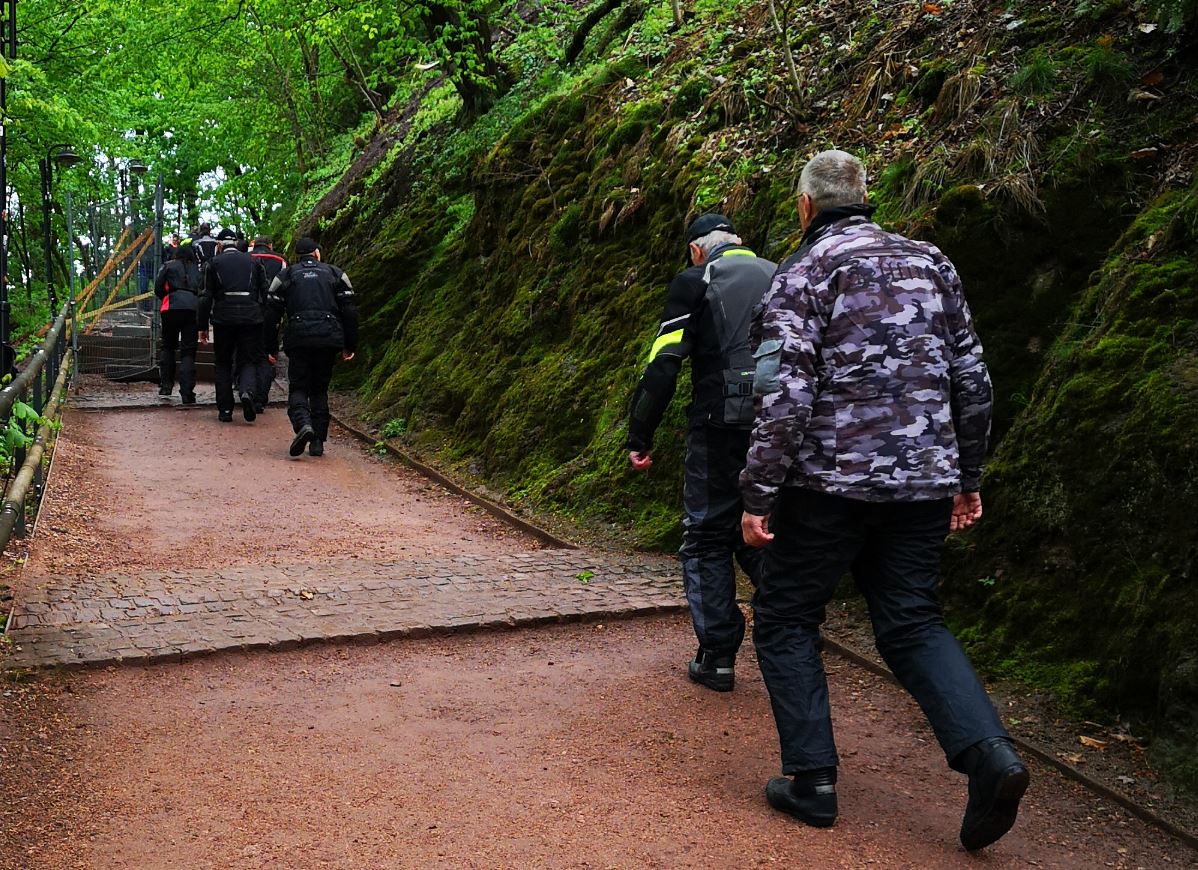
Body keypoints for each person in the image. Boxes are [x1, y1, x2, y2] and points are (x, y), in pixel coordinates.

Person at [739, 150, 1027, 850]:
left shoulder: (803, 272)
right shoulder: (933, 263)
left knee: (785, 617)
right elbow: (972, 378)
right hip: (923, 480)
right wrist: (967, 476)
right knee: (912, 622)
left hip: (827, 484)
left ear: (805, 206)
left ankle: (813, 782)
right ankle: (991, 757)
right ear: (866, 195)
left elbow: (785, 394)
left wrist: (757, 492)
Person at [626, 213, 776, 692]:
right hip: (783, 425)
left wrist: (639, 434)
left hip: (718, 426)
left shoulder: (696, 280)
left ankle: (717, 657)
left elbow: (664, 363)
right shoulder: (783, 273)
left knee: (707, 535)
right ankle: (792, 632)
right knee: (766, 529)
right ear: (739, 241)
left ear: (696, 249)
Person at [264, 237, 357, 457]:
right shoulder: (336, 273)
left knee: (298, 387)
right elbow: (349, 311)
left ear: (298, 256)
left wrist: (270, 346)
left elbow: (271, 314)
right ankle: (317, 442)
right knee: (319, 389)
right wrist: (350, 344)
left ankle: (303, 424)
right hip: (328, 338)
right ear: (316, 253)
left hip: (299, 338)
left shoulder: (286, 275)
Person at [198, 234, 267, 422]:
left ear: (219, 245)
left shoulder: (213, 263)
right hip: (251, 318)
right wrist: (261, 315)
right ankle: (247, 391)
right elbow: (265, 291)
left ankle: (225, 410)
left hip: (223, 318)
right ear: (236, 243)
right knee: (248, 360)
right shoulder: (254, 261)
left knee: (223, 362)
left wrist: (202, 326)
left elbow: (205, 296)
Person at [154, 243, 201, 404]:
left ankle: (166, 386)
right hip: (192, 308)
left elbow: (158, 287)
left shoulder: (167, 266)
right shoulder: (197, 269)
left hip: (170, 307)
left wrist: (167, 296)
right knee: (188, 352)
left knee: (168, 346)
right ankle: (187, 392)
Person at [251, 236, 288, 413]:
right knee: (267, 354)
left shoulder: (246, 258)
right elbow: (285, 284)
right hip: (271, 310)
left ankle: (245, 387)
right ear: (270, 245)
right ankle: (260, 397)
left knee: (246, 351)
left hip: (248, 309)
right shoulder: (280, 260)